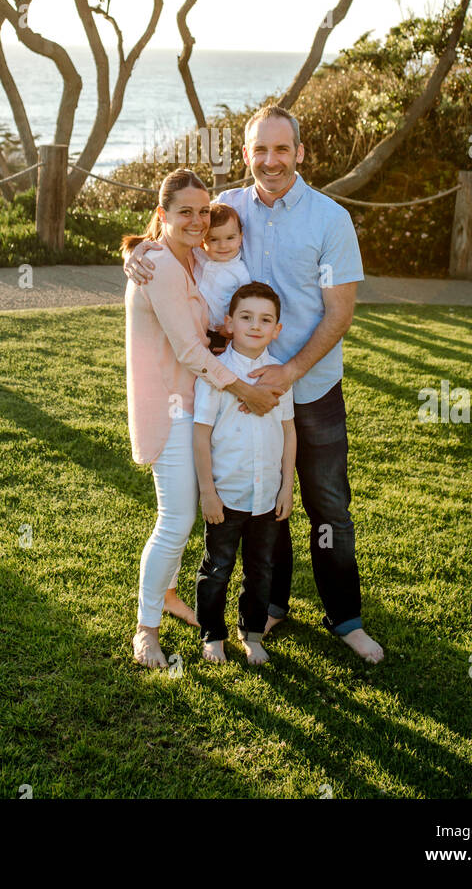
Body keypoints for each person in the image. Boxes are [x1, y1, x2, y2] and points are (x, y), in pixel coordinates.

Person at [124, 105, 384, 664]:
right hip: (234, 392)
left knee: (328, 507)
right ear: (246, 155)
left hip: (308, 388)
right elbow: (175, 237)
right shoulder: (228, 208)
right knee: (264, 499)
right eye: (259, 150)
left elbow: (340, 314)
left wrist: (288, 373)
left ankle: (346, 618)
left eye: (281, 149)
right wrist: (134, 254)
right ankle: (271, 605)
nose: (271, 160)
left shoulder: (330, 219)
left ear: (300, 153)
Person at [122, 168, 282, 669]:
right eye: (184, 212)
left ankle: (167, 595)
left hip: (193, 403)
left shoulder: (184, 256)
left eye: (202, 211)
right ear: (162, 215)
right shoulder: (163, 267)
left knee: (182, 513)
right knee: (176, 519)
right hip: (171, 405)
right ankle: (146, 629)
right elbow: (192, 351)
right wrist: (243, 389)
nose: (197, 220)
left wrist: (132, 251)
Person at [193, 281, 296, 666]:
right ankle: (212, 634)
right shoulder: (218, 375)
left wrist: (287, 487)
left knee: (260, 570)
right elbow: (200, 433)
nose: (256, 325)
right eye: (247, 317)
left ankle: (251, 633)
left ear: (277, 329)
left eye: (265, 319)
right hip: (226, 494)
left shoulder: (279, 376)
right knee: (217, 568)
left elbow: (288, 430)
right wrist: (208, 492)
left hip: (267, 497)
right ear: (229, 323)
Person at [195, 203, 250, 351]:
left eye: (230, 238)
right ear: (203, 241)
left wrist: (234, 330)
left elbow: (246, 306)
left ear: (240, 238)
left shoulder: (240, 272)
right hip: (196, 332)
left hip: (225, 334)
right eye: (214, 239)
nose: (223, 245)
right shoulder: (199, 257)